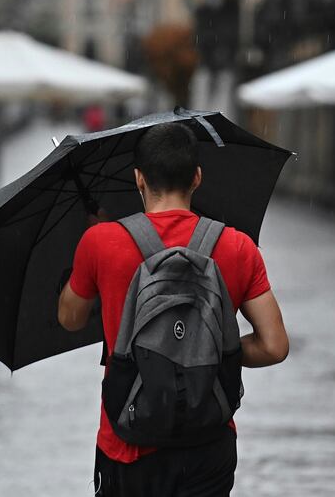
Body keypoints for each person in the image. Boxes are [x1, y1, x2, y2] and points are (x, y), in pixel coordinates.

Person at [58, 123, 289, 497]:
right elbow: (274, 346)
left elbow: (70, 319)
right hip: (208, 438)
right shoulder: (237, 246)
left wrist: (87, 259)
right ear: (197, 177)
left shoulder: (99, 242)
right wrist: (207, 352)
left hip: (129, 441)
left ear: (138, 179)